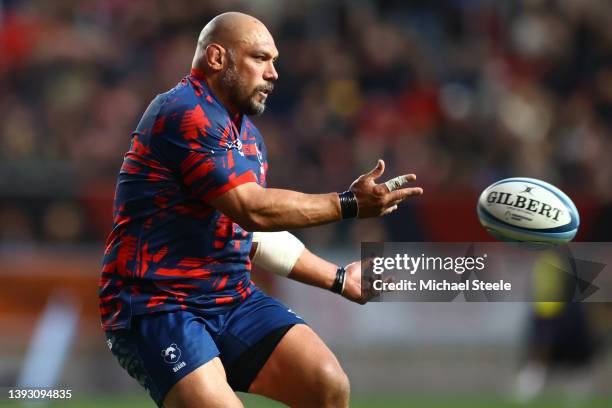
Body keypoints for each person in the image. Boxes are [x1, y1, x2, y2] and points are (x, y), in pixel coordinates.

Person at [99, 11, 423, 408]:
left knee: (327, 384)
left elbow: (247, 232)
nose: (273, 73)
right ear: (217, 58)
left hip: (232, 299)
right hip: (159, 304)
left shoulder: (246, 137)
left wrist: (338, 278)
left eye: (274, 61)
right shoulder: (184, 111)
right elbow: (252, 209)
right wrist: (350, 204)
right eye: (260, 58)